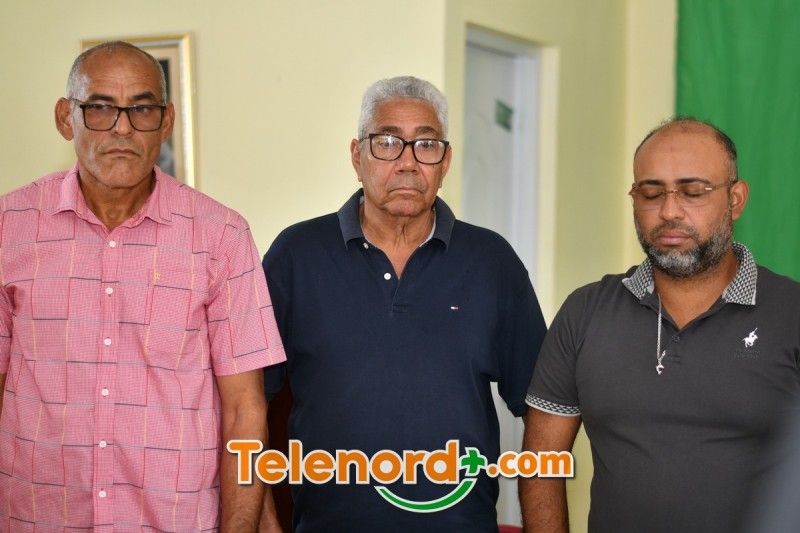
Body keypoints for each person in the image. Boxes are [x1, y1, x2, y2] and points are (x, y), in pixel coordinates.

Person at [0, 41, 286, 532]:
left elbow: (245, 411)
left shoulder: (221, 236)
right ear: (66, 118)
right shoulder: (10, 227)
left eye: (142, 109)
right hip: (37, 517)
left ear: (166, 121)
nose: (122, 128)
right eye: (100, 108)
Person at [261, 76, 547, 532]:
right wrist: (262, 520)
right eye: (388, 142)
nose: (408, 162)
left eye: (426, 145)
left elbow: (542, 407)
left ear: (445, 162)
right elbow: (247, 401)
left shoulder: (492, 262)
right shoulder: (296, 255)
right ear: (357, 156)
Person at [520, 117, 800, 533]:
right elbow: (541, 461)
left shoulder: (790, 313)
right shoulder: (586, 311)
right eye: (651, 193)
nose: (669, 211)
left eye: (693, 192)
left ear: (736, 199)